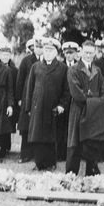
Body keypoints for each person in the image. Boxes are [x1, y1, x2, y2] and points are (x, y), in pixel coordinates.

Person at [66, 40, 104, 176]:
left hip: (94, 113)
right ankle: (71, 174)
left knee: (92, 142)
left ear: (95, 54)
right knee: (74, 143)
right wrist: (94, 100)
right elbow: (76, 93)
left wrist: (96, 102)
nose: (88, 55)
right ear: (80, 52)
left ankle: (91, 174)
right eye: (86, 52)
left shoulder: (97, 70)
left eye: (91, 53)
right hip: (79, 111)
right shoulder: (73, 70)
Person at [24, 38, 70, 171]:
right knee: (37, 136)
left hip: (53, 108)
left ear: (56, 52)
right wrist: (28, 108)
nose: (48, 52)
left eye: (51, 50)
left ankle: (50, 163)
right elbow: (30, 88)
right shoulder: (36, 67)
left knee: (51, 137)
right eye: (46, 50)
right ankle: (39, 163)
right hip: (37, 108)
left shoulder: (63, 68)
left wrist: (62, 105)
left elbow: (67, 91)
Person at [16, 38, 43, 163]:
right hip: (27, 98)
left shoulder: (47, 61)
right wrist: (20, 99)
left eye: (41, 47)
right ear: (33, 48)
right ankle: (25, 154)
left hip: (41, 99)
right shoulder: (26, 61)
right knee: (26, 127)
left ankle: (38, 154)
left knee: (39, 126)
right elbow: (20, 80)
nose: (39, 49)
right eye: (37, 47)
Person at [0, 44, 18, 158]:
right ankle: (0, 147)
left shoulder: (14, 70)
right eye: (3, 54)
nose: (5, 57)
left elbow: (15, 86)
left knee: (8, 124)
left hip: (9, 100)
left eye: (7, 55)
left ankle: (6, 146)